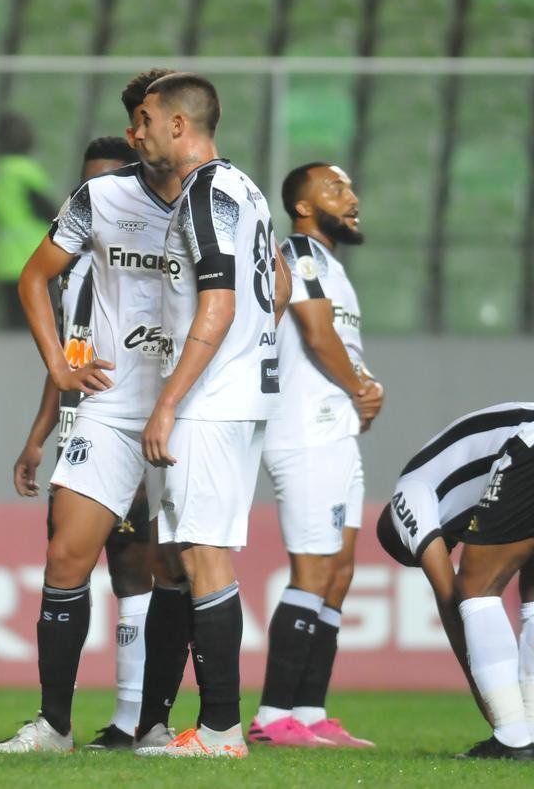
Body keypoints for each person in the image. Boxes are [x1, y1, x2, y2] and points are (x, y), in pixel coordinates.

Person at [0, 71, 181, 754]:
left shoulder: (217, 201)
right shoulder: (96, 206)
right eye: (132, 119)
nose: (137, 131)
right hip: (106, 408)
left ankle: (151, 720)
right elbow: (39, 287)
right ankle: (54, 725)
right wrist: (55, 380)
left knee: (173, 566)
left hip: (187, 411)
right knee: (68, 551)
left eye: (145, 119)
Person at [136, 72, 290, 758]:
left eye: (144, 118)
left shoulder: (201, 193)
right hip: (243, 393)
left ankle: (223, 727)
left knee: (202, 554)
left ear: (178, 124)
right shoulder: (245, 188)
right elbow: (277, 281)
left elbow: (219, 303)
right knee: (193, 552)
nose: (135, 133)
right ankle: (197, 724)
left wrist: (168, 402)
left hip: (210, 400)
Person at [250, 162, 383, 748]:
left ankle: (308, 712)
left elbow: (341, 340)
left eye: (350, 187)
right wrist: (359, 387)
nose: (351, 198)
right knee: (313, 571)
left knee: (340, 572)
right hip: (304, 429)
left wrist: (364, 383)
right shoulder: (297, 253)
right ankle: (272, 714)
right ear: (302, 206)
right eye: (335, 188)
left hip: (336, 430)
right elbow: (315, 330)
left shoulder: (331, 264)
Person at [376, 403, 534, 760]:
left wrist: (494, 711)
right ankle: (529, 731)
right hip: (524, 441)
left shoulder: (407, 498)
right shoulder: (455, 501)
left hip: (526, 445)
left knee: (475, 589)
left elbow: (451, 599)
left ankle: (513, 737)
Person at [0, 112, 56, 328]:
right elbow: (46, 209)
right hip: (33, 254)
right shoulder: (26, 170)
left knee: (13, 322)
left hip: (5, 259)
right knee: (37, 323)